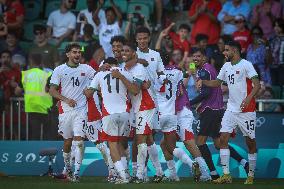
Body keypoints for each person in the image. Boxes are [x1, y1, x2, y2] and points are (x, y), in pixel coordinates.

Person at [197, 40, 260, 184]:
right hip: (231, 109)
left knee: (250, 143)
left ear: (235, 51)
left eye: (226, 50)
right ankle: (226, 174)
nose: (224, 53)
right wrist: (204, 81)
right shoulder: (226, 66)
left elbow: (257, 85)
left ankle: (250, 174)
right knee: (223, 139)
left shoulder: (246, 65)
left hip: (246, 110)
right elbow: (217, 83)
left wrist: (249, 98)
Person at [191, 48, 249, 180]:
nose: (195, 59)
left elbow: (206, 92)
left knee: (200, 142)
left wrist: (190, 102)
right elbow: (196, 76)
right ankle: (244, 163)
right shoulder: (205, 68)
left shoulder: (205, 71)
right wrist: (193, 70)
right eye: (193, 56)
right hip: (218, 110)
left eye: (198, 56)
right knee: (218, 144)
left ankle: (213, 174)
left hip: (210, 111)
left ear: (204, 58)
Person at [84, 57, 139, 184]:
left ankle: (123, 176)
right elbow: (135, 90)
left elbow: (88, 94)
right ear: (117, 64)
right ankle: (126, 173)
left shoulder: (100, 74)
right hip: (125, 114)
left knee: (112, 144)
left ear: (105, 64)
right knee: (121, 143)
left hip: (109, 114)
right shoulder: (125, 72)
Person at [157, 52, 210, 182]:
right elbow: (183, 82)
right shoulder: (177, 71)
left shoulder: (158, 74)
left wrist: (190, 64)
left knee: (188, 141)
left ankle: (205, 173)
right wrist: (189, 68)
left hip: (181, 112)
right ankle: (173, 175)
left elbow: (182, 88)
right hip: (173, 113)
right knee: (164, 144)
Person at [49, 43, 96, 182]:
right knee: (67, 142)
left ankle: (76, 174)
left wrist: (91, 90)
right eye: (74, 52)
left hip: (81, 110)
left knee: (79, 141)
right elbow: (52, 90)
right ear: (67, 54)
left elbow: (98, 79)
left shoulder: (87, 69)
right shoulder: (59, 70)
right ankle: (67, 169)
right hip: (65, 111)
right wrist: (66, 99)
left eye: (79, 52)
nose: (77, 55)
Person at [135, 26, 167, 182]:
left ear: (149, 39)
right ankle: (156, 172)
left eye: (144, 38)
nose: (142, 41)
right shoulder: (132, 55)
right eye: (139, 38)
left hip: (151, 101)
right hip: (134, 102)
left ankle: (141, 174)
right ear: (136, 40)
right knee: (144, 137)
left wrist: (164, 79)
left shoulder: (156, 55)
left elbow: (161, 73)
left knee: (145, 136)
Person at [14, 54, 53, 140]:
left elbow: (17, 91)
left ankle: (35, 151)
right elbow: (50, 90)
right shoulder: (48, 74)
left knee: (35, 134)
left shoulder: (25, 75)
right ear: (41, 62)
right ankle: (49, 151)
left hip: (32, 107)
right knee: (48, 134)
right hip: (46, 107)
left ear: (31, 62)